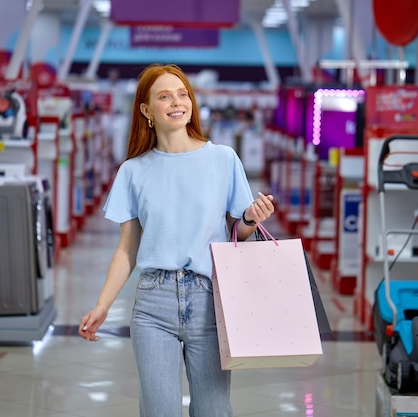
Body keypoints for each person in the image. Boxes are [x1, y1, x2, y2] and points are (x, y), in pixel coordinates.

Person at [79, 63, 275, 417]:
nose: (176, 102)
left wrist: (249, 218)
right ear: (146, 110)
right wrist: (102, 305)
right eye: (164, 96)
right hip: (153, 304)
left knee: (214, 410)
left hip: (209, 302)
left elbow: (238, 234)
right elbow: (127, 249)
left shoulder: (222, 159)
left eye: (182, 94)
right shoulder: (133, 171)